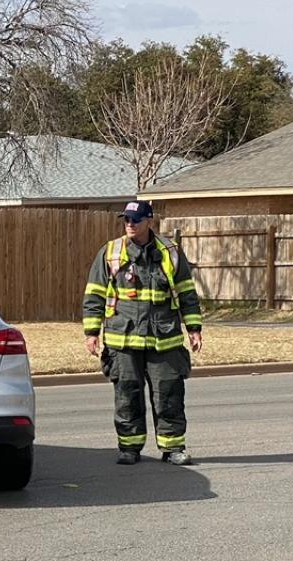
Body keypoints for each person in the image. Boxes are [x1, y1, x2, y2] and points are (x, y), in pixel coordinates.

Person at [81, 199, 204, 466]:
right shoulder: (111, 252)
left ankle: (173, 448)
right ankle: (129, 447)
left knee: (169, 393)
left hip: (164, 339)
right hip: (123, 340)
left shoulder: (170, 252)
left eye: (135, 220)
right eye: (126, 220)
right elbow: (94, 295)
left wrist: (194, 328)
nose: (130, 224)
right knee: (127, 394)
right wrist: (91, 332)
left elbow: (186, 292)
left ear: (150, 221)